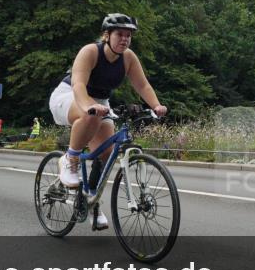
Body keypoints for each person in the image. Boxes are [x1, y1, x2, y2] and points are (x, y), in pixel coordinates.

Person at [48, 13, 167, 231]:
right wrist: (88, 106)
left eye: (128, 35)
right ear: (106, 35)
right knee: (92, 115)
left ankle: (92, 204)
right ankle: (70, 158)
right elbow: (78, 85)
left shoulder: (129, 58)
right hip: (69, 96)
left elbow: (143, 86)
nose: (125, 39)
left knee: (106, 154)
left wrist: (156, 106)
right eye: (120, 34)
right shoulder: (90, 52)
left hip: (100, 102)